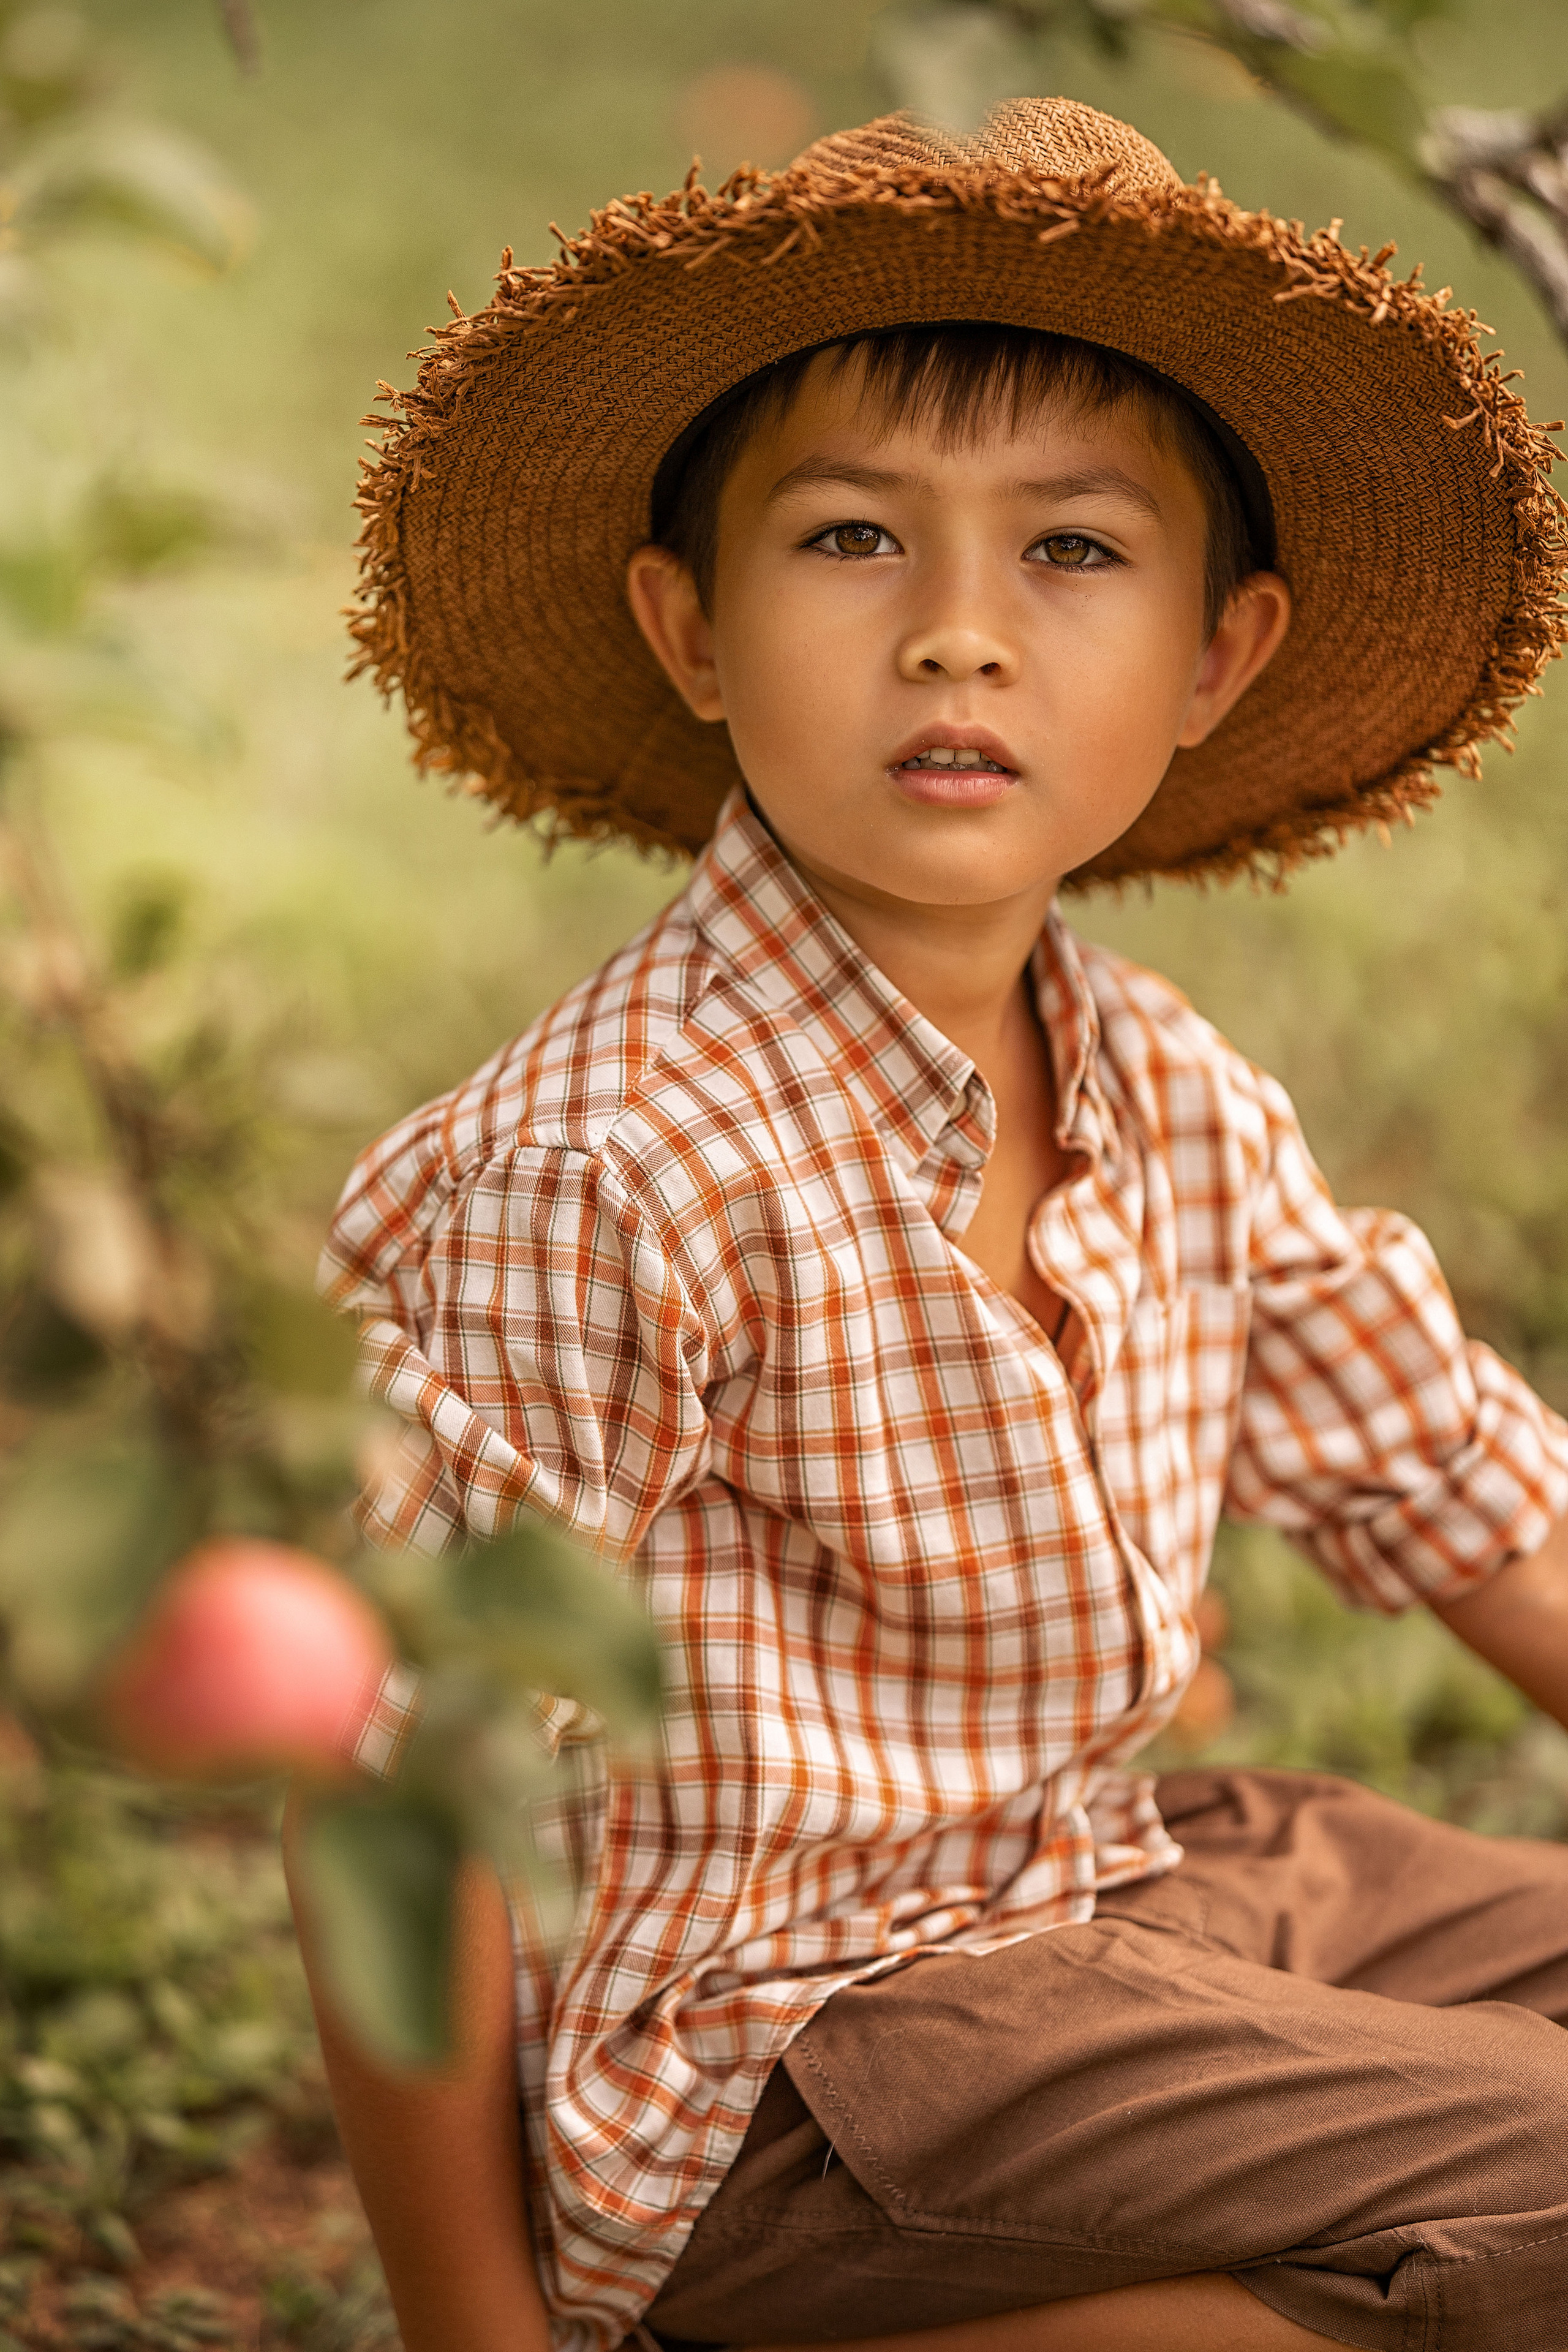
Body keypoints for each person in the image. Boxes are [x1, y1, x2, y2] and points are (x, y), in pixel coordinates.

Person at [299, 96, 1568, 2352]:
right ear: (691, 631)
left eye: (1074, 552)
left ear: (1219, 657)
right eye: (857, 539)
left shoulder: (1162, 1086)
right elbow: (388, 1789)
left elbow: (1463, 1496)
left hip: (1112, 1894)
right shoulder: (616, 1170)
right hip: (799, 2063)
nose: (960, 637)